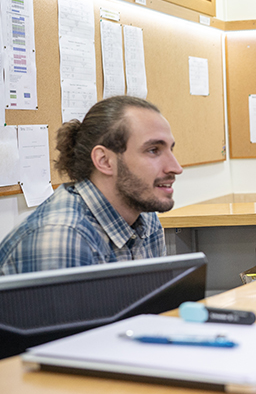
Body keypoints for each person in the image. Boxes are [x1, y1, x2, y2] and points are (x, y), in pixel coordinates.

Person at [0, 96, 182, 275]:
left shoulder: (145, 218)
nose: (176, 167)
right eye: (153, 150)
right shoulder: (63, 239)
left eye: (170, 149)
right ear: (104, 161)